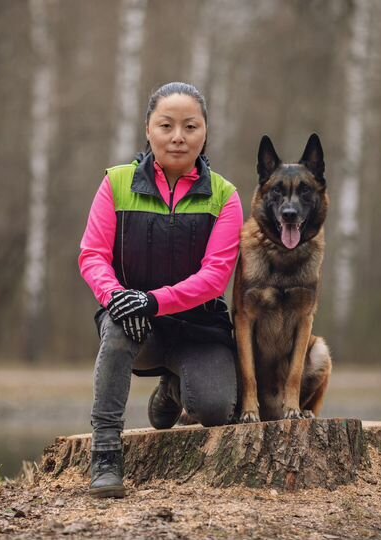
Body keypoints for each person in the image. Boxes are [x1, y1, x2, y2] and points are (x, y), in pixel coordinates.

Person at [78, 82, 244, 498]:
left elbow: (215, 278)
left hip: (198, 327)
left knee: (215, 409)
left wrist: (152, 300)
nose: (178, 136)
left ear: (205, 132)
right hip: (135, 325)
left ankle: (172, 389)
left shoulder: (225, 196)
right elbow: (92, 255)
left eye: (190, 126)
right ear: (148, 130)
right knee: (115, 331)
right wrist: (117, 297)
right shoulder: (116, 183)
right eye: (166, 125)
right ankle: (105, 454)